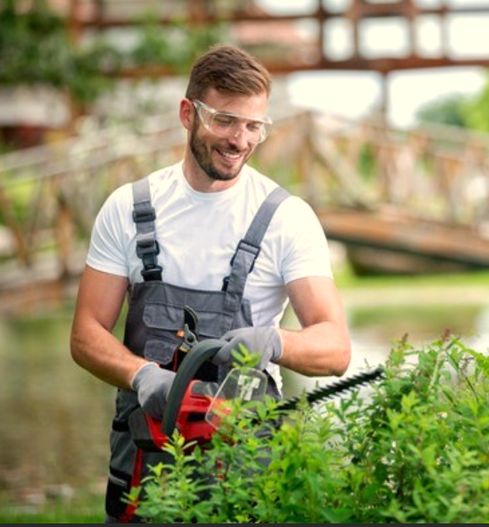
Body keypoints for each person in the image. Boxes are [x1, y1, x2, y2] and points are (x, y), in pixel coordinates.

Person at [69, 43, 351, 523]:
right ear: (188, 113)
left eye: (253, 126)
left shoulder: (286, 218)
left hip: (244, 461)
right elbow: (84, 335)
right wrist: (142, 376)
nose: (239, 139)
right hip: (144, 459)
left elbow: (336, 348)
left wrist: (274, 340)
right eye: (224, 120)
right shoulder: (128, 207)